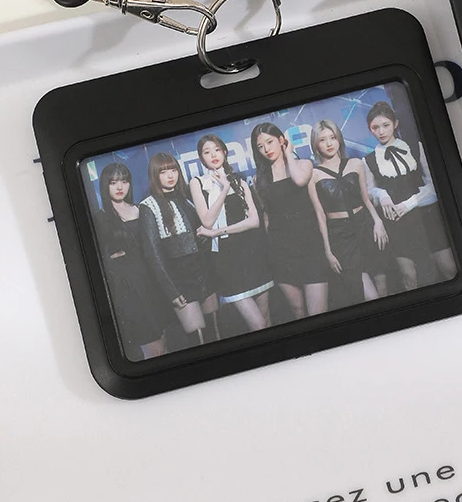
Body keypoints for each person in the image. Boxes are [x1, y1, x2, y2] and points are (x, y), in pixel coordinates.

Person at [364, 100, 456, 289]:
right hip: (397, 223)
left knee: (448, 268)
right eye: (375, 127)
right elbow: (369, 191)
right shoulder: (369, 160)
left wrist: (409, 204)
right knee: (409, 277)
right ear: (370, 130)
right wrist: (382, 194)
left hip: (425, 216)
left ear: (395, 124)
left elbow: (434, 185)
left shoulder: (415, 147)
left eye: (386, 125)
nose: (381, 131)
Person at [189, 134, 274, 333]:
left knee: (266, 321)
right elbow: (207, 221)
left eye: (217, 150)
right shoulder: (197, 183)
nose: (213, 155)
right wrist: (224, 188)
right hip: (227, 261)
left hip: (252, 254)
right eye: (207, 152)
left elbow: (254, 221)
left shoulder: (240, 181)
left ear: (225, 152)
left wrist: (217, 232)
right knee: (258, 325)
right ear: (201, 158)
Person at [137, 151, 220, 345]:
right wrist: (171, 291)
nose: (170, 175)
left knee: (216, 333)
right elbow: (153, 254)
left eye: (173, 170)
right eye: (163, 172)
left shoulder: (187, 197)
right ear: (155, 175)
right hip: (180, 281)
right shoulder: (148, 206)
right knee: (198, 338)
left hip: (204, 273)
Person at [250, 123, 329, 319]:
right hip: (281, 251)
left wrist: (288, 154)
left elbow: (301, 181)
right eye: (260, 146)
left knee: (318, 313)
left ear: (281, 140)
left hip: (310, 246)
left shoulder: (303, 165)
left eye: (270, 142)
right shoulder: (259, 179)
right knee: (298, 312)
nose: (266, 149)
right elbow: (267, 216)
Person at [307, 119, 388, 304]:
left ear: (339, 139)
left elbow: (365, 198)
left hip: (366, 227)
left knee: (383, 289)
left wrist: (378, 222)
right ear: (316, 145)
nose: (329, 144)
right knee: (369, 296)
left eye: (332, 137)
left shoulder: (356, 164)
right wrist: (328, 251)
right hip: (341, 236)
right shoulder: (314, 175)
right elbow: (320, 215)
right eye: (322, 140)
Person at [94, 162, 167, 361]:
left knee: (164, 342)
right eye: (113, 182)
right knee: (153, 349)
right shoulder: (101, 217)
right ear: (105, 186)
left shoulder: (140, 209)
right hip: (130, 290)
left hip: (153, 283)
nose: (120, 187)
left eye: (124, 181)